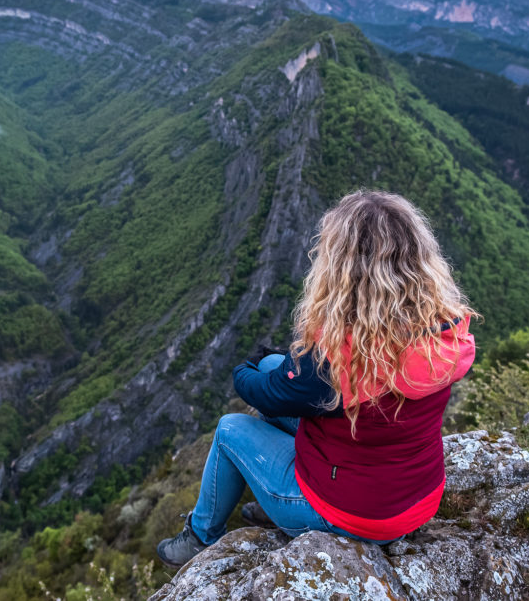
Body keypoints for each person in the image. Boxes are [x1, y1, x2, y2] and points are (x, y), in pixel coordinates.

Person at [157, 190, 477, 567]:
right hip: (417, 499)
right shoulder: (442, 333)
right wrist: (278, 364)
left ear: (342, 268)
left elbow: (263, 393)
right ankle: (274, 498)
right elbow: (296, 388)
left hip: (353, 514)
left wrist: (244, 366)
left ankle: (201, 535)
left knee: (230, 429)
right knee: (276, 368)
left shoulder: (338, 360)